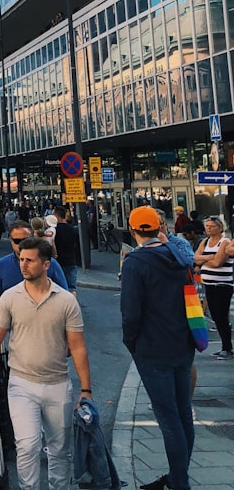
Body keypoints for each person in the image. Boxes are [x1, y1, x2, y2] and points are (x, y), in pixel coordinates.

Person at [0, 236, 91, 490]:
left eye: (29, 260)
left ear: (46, 264)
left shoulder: (66, 301)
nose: (23, 265)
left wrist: (86, 390)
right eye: (21, 259)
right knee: (28, 445)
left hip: (57, 384)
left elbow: (77, 347)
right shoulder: (10, 298)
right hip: (21, 383)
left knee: (59, 449)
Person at [120, 207, 195, 490]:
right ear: (158, 228)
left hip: (152, 348)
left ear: (132, 230)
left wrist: (132, 343)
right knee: (182, 411)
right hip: (182, 342)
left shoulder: (135, 262)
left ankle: (179, 483)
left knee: (168, 417)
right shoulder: (178, 257)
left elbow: (130, 312)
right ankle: (178, 478)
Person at [0, 221, 70, 313]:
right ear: (11, 241)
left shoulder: (50, 264)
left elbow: (64, 293)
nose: (21, 245)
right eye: (17, 241)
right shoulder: (1, 265)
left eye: (25, 240)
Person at [193, 215, 233, 359]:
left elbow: (218, 263)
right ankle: (225, 347)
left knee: (221, 316)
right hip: (208, 283)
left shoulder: (225, 242)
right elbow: (195, 257)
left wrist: (203, 261)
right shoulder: (205, 241)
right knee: (215, 316)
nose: (208, 229)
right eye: (207, 226)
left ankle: (227, 348)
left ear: (220, 227)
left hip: (222, 284)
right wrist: (210, 258)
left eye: (211, 226)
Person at [51, 206, 80, 294]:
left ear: (57, 216)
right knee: (71, 288)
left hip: (58, 262)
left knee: (59, 288)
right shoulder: (73, 229)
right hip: (71, 260)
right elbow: (76, 245)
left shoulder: (54, 230)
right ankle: (73, 305)